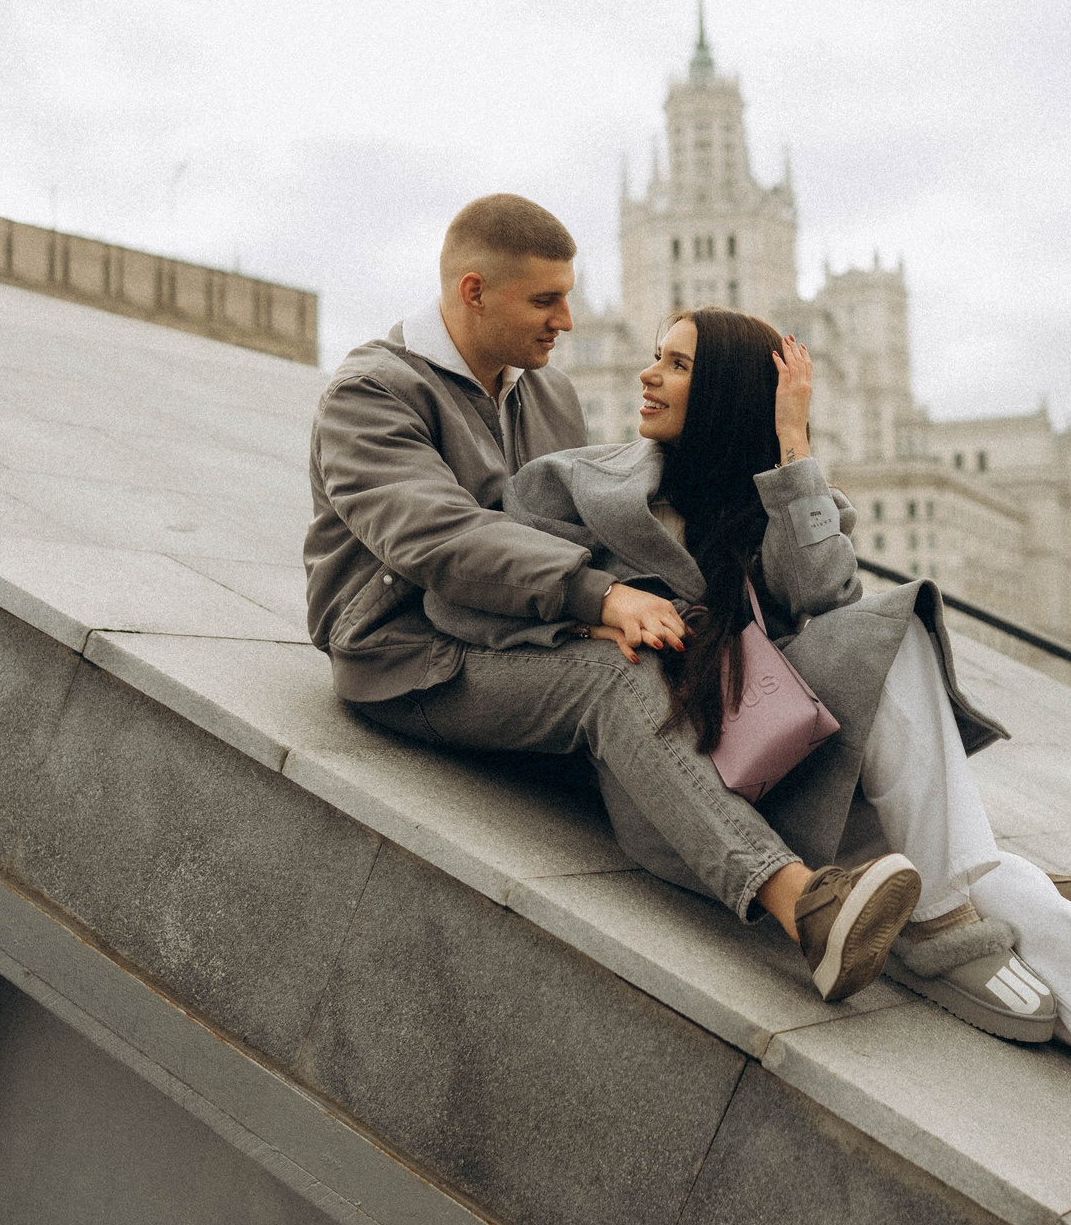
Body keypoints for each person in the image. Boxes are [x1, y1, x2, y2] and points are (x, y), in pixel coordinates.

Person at [430, 304, 1071, 1170]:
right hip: (699, 791)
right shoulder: (574, 486)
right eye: (651, 355)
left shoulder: (781, 499)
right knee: (1003, 880)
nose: (647, 373)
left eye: (678, 362)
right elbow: (495, 591)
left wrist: (790, 450)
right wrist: (606, 608)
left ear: (728, 390)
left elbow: (825, 597)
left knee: (896, 642)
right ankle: (970, 915)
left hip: (799, 770)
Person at [305, 196, 925, 1007]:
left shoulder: (546, 395)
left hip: (526, 630)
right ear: (472, 291)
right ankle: (803, 907)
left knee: (740, 673)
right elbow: (437, 537)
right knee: (612, 677)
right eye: (544, 301)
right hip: (411, 652)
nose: (568, 318)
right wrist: (598, 596)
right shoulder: (371, 393)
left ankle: (939, 895)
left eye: (567, 295)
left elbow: (595, 519)